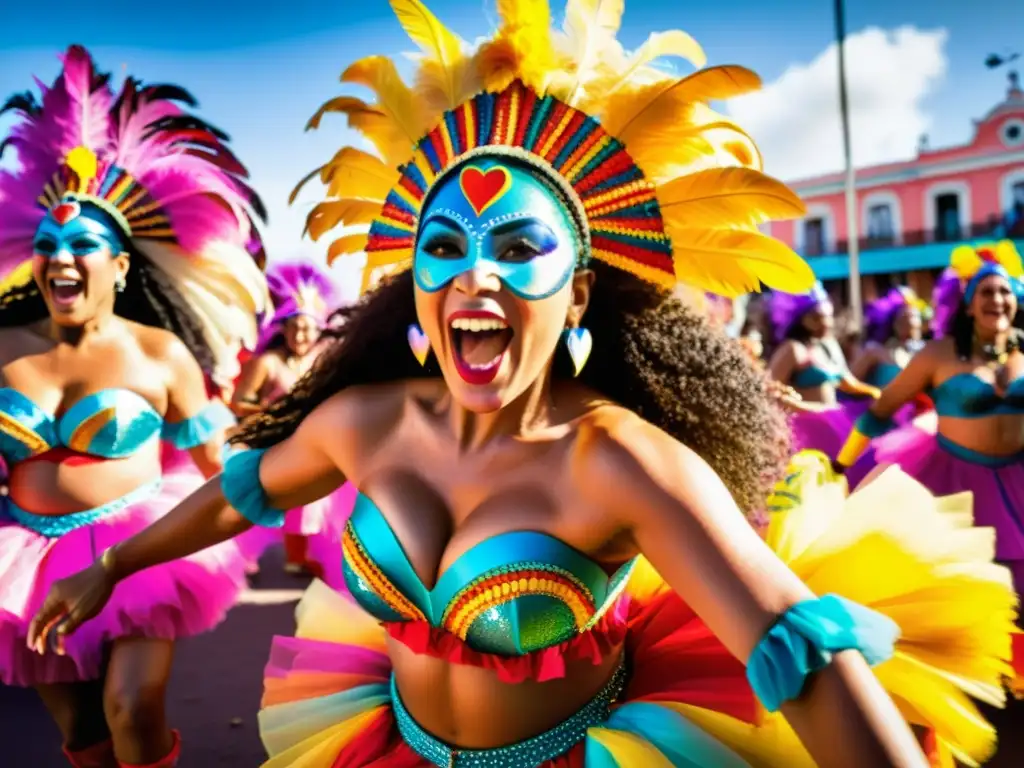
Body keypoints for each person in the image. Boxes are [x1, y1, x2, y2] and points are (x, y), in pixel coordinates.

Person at [22, 4, 1017, 766]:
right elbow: (239, 493)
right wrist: (111, 568)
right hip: (390, 739)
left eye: (517, 248)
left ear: (578, 292)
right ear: (414, 283)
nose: (475, 276)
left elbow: (797, 650)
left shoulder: (622, 460)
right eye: (444, 247)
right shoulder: (367, 421)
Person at [0, 46, 269, 768]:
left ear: (120, 265)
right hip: (22, 555)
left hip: (138, 555)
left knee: (131, 707)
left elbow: (221, 470)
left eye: (84, 244)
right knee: (83, 732)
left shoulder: (162, 355)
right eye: (49, 244)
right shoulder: (2, 348)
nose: (61, 258)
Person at [835, 241, 1024, 741]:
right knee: (970, 594)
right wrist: (842, 464)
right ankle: (969, 701)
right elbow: (881, 410)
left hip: (1018, 478)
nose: (997, 300)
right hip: (953, 483)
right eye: (985, 291)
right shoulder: (939, 354)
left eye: (1004, 291)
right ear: (966, 302)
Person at [231, 259, 355, 577]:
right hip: (270, 445)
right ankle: (246, 560)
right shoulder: (267, 363)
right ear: (283, 329)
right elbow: (240, 401)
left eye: (307, 328)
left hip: (311, 444)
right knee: (260, 503)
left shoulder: (325, 362)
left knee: (308, 504)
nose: (300, 335)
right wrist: (274, 413)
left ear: (318, 330)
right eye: (294, 327)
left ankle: (297, 559)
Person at [767, 283, 882, 462]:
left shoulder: (828, 346)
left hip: (832, 427)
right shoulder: (791, 350)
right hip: (805, 435)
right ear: (800, 319)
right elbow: (771, 394)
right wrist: (815, 410)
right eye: (817, 317)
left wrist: (876, 394)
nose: (826, 323)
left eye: (828, 316)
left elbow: (848, 383)